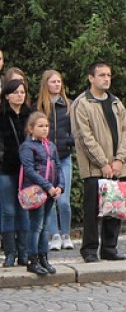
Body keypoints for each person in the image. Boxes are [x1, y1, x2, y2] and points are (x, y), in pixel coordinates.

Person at [71, 62, 126, 263]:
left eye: (109, 75)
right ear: (91, 78)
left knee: (114, 209)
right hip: (94, 168)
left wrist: (119, 160)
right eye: (102, 75)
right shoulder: (83, 103)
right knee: (92, 211)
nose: (106, 79)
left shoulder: (116, 103)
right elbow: (84, 137)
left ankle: (110, 248)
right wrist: (103, 163)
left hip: (116, 167)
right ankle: (89, 249)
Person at [19, 111, 65, 275]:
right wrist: (48, 186)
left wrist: (60, 185)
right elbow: (30, 171)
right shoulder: (27, 147)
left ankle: (43, 256)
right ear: (31, 129)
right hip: (36, 191)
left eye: (46, 126)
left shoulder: (50, 146)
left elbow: (58, 166)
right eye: (40, 126)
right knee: (36, 226)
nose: (45, 129)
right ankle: (33, 259)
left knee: (45, 226)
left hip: (51, 191)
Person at [35, 70, 75, 251]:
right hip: (45, 159)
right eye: (53, 82)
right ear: (46, 84)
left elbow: (76, 130)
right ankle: (54, 235)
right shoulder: (39, 107)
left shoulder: (69, 105)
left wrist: (69, 141)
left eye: (59, 81)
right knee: (49, 199)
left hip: (64, 157)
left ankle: (66, 233)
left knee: (63, 200)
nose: (57, 85)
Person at [0, 80, 31, 267]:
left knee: (24, 211)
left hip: (26, 170)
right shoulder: (2, 116)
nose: (20, 95)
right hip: (6, 168)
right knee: (8, 211)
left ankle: (24, 252)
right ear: (7, 95)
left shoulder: (30, 116)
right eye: (16, 92)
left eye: (22, 92)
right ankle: (10, 253)